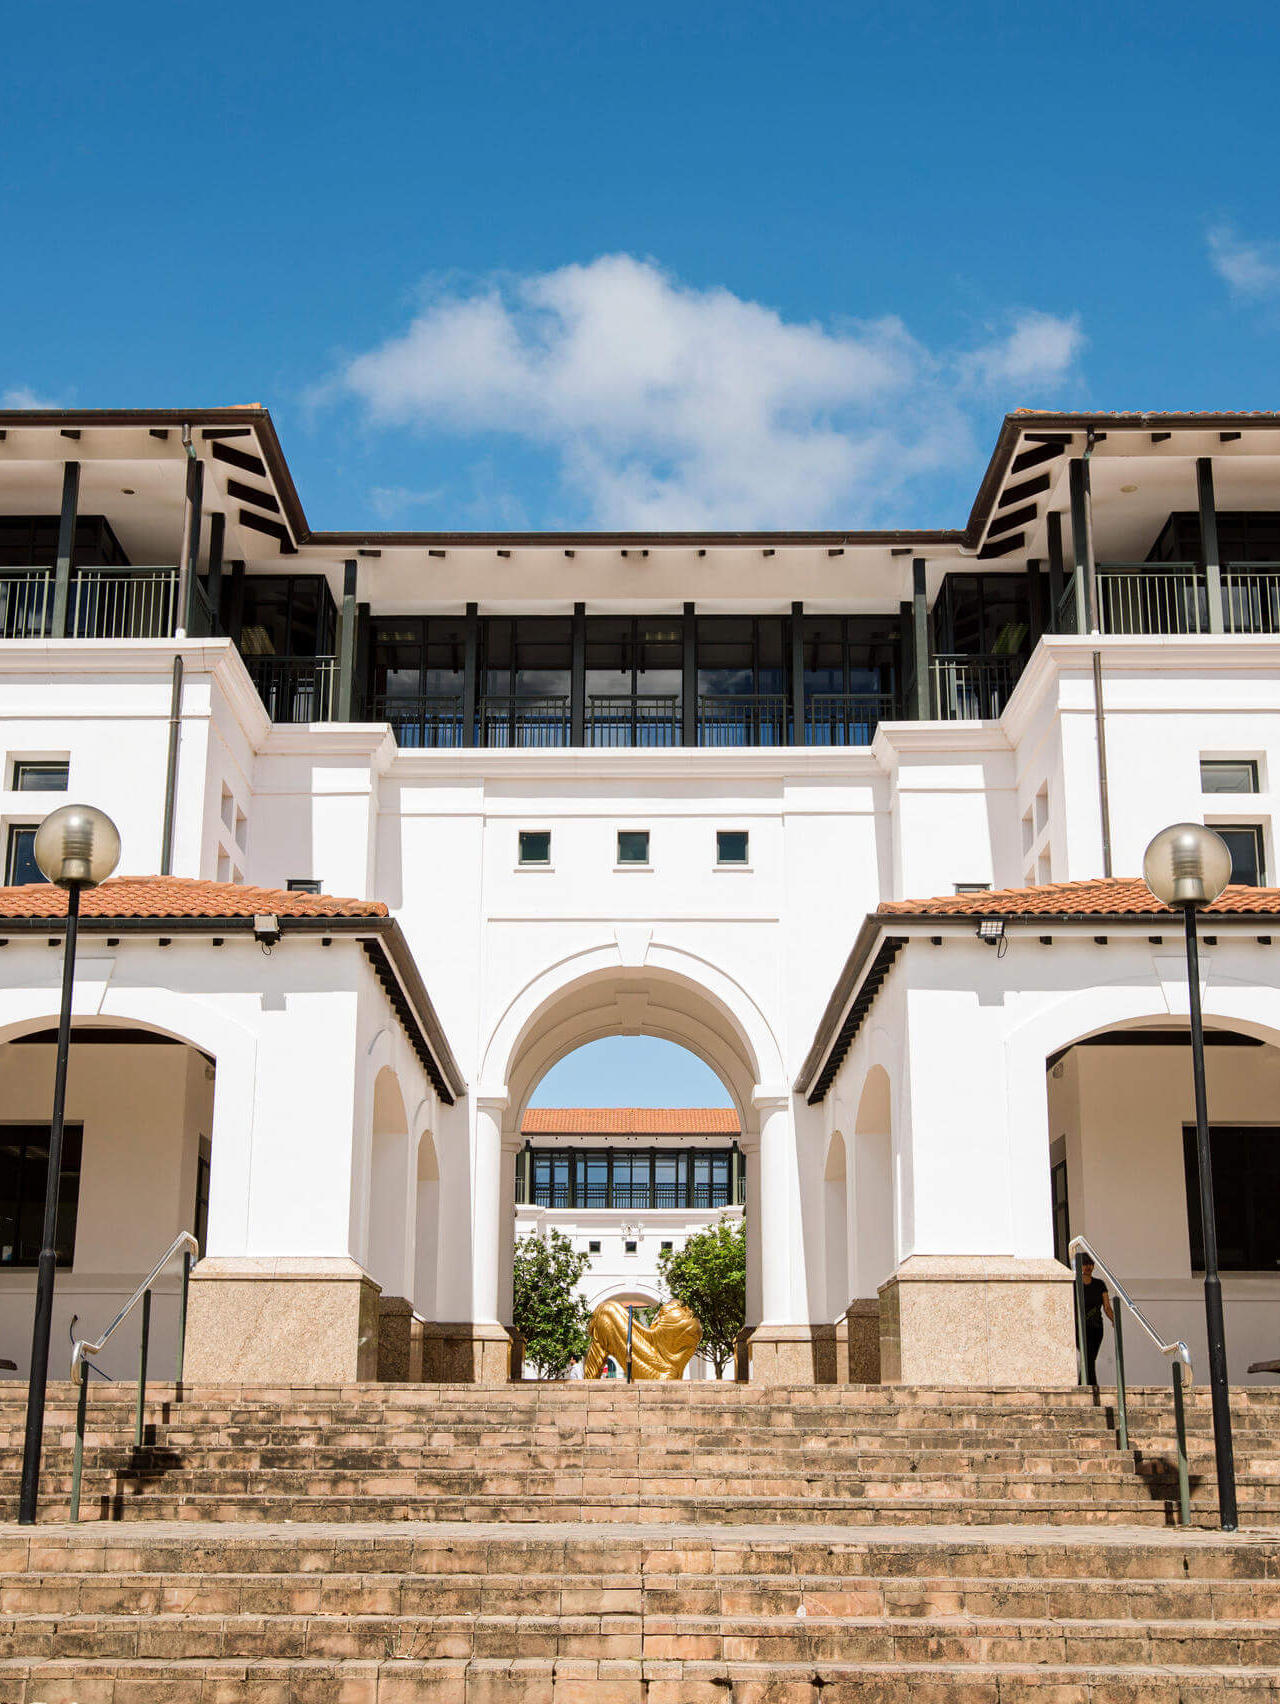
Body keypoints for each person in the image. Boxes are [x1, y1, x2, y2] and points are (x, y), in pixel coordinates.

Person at [1079, 1258, 1115, 1384]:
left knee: (1090, 1357)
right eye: (1085, 1264)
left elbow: (1107, 1307)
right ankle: (1091, 1385)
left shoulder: (1100, 1284)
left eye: (1090, 1264)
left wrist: (1114, 1320)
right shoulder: (1074, 1284)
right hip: (1080, 1327)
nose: (1088, 1267)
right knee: (1088, 1356)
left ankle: (1083, 1384)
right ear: (1080, 1266)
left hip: (1096, 1328)